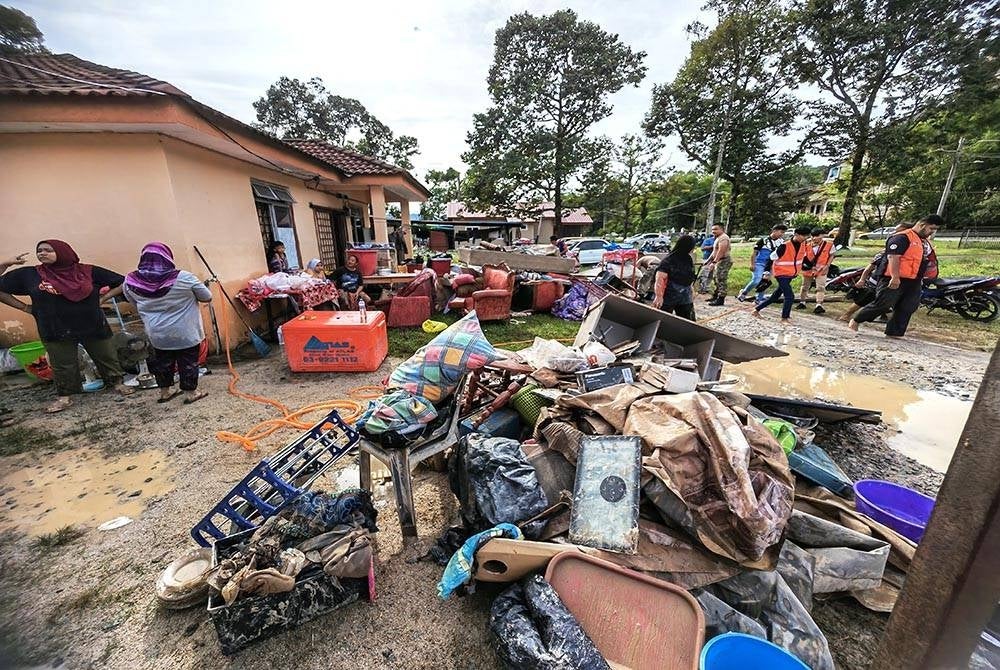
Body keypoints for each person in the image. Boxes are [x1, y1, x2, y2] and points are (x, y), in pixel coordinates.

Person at [0, 240, 134, 413]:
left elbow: (124, 282)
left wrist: (103, 298)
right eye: (39, 251)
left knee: (106, 356)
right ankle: (65, 397)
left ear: (63, 252)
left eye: (48, 250)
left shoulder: (88, 271)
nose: (42, 253)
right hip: (54, 327)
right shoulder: (30, 274)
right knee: (62, 364)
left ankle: (117, 383)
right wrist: (23, 305)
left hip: (91, 323)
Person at [124, 242, 213, 404]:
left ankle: (165, 392)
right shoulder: (184, 277)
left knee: (163, 361)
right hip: (185, 331)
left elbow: (133, 302)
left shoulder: (131, 282)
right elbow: (206, 297)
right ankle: (190, 392)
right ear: (167, 257)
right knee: (188, 361)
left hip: (157, 332)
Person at [850, 214, 941, 337]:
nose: (931, 233)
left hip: (913, 280)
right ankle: (857, 319)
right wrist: (895, 276)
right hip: (893, 277)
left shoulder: (921, 241)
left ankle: (894, 333)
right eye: (931, 229)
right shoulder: (902, 237)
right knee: (884, 304)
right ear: (922, 225)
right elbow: (893, 257)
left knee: (908, 306)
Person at [839, 223, 913, 323]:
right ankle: (847, 315)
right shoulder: (886, 251)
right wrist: (862, 279)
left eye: (897, 230)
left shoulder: (912, 248)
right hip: (878, 280)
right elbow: (870, 267)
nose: (894, 233)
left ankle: (885, 317)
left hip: (895, 281)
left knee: (888, 300)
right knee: (865, 299)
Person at [753, 226, 812, 323]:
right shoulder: (784, 246)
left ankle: (756, 309)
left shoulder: (803, 245)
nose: (805, 238)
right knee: (790, 296)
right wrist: (767, 272)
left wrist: (811, 265)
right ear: (796, 234)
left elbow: (804, 258)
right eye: (804, 236)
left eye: (807, 236)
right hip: (781, 274)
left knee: (775, 296)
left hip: (790, 275)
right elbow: (771, 258)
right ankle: (784, 318)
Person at [652, 235, 698, 320]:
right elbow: (660, 278)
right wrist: (659, 296)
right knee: (662, 319)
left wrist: (691, 290)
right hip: (669, 294)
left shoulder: (688, 259)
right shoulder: (669, 260)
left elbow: (689, 276)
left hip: (685, 294)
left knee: (688, 320)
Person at [738, 224, 787, 303]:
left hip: (770, 264)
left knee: (764, 282)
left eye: (783, 233)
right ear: (774, 231)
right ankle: (744, 292)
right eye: (781, 232)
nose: (782, 234)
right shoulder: (763, 241)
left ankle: (759, 299)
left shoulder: (781, 242)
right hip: (759, 263)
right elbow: (754, 253)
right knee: (756, 280)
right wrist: (752, 264)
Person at [796, 228, 836, 314]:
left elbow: (832, 255)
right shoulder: (806, 244)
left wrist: (827, 265)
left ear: (822, 236)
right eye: (813, 236)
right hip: (808, 269)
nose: (815, 238)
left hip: (821, 269)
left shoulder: (829, 245)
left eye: (817, 236)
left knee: (820, 287)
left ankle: (819, 305)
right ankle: (802, 302)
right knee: (805, 286)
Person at [703, 224, 732, 306]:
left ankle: (721, 299)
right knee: (716, 279)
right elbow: (714, 251)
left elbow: (721, 251)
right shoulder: (718, 238)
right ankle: (715, 295)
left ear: (722, 229)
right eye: (712, 229)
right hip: (719, 261)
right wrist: (708, 260)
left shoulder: (724, 238)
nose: (713, 231)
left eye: (716, 229)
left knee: (721, 279)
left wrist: (714, 262)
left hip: (723, 261)